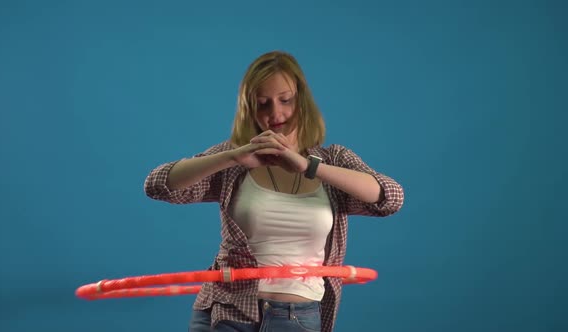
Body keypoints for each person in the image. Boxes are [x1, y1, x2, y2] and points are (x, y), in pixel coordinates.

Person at [144, 50, 405, 332]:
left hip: (299, 317)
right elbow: (158, 186)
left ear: (302, 100)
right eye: (262, 104)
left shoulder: (333, 160)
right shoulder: (235, 159)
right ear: (250, 109)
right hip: (229, 310)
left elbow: (390, 198)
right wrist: (232, 157)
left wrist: (308, 166)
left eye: (285, 100)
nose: (275, 113)